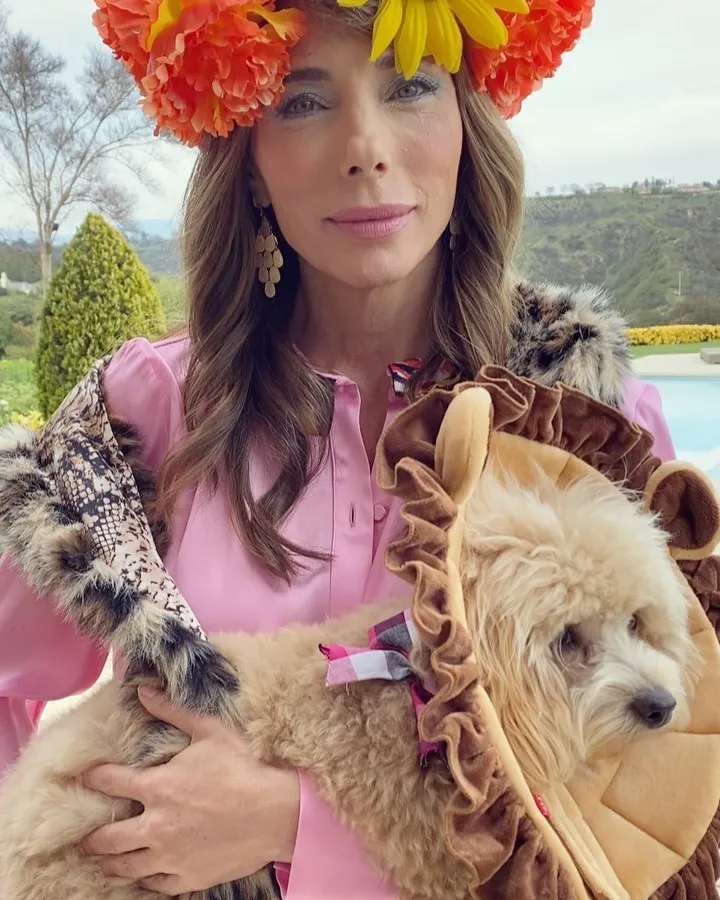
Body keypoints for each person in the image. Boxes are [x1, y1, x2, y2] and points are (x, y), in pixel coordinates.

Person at [0, 0, 676, 896]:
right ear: (249, 163)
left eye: (410, 87)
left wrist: (295, 824)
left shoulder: (587, 423)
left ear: (467, 124)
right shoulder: (149, 407)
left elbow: (660, 788)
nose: (365, 147)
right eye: (304, 101)